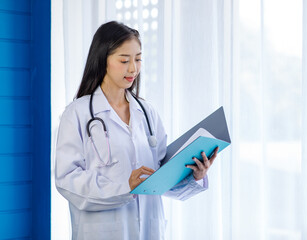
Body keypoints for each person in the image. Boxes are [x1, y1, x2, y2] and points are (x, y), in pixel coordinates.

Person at [55, 21, 219, 240]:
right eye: (124, 60)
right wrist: (125, 186)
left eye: (138, 59)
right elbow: (67, 180)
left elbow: (158, 178)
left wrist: (193, 175)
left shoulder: (147, 112)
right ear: (103, 59)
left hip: (149, 231)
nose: (133, 68)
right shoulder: (78, 113)